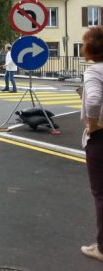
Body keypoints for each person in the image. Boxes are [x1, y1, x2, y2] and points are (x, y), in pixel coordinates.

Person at [80, 25, 103, 262]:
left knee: (101, 193)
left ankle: (102, 248)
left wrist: (93, 124)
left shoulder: (95, 71)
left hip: (101, 138)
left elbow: (94, 100)